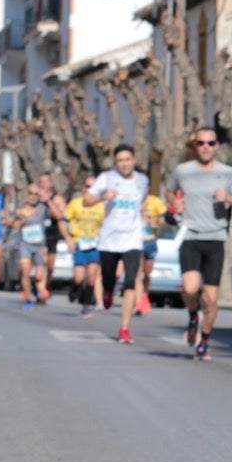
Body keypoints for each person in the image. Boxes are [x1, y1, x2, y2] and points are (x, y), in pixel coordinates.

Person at [166, 127, 232, 362]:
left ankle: (205, 339)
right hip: (190, 235)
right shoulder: (183, 170)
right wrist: (176, 203)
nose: (205, 147)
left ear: (217, 146)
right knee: (190, 289)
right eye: (201, 143)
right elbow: (169, 191)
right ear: (195, 145)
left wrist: (228, 198)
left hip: (216, 238)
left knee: (211, 298)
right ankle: (193, 316)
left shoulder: (228, 173)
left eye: (210, 143)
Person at [87, 145, 153, 344]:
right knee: (108, 279)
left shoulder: (143, 180)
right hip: (109, 239)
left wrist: (144, 215)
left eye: (127, 159)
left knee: (131, 280)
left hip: (132, 238)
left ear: (134, 159)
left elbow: (143, 201)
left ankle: (124, 327)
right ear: (116, 163)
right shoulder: (106, 178)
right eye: (120, 160)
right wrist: (102, 197)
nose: (124, 163)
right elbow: (86, 200)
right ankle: (107, 291)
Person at [63, 176, 104, 316]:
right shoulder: (75, 203)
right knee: (79, 278)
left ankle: (86, 305)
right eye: (88, 186)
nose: (90, 190)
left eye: (94, 187)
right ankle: (74, 289)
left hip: (95, 244)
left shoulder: (101, 205)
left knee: (92, 275)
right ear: (83, 188)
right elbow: (63, 221)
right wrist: (68, 239)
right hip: (79, 243)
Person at [14, 182, 59, 308]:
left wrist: (48, 200)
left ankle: (36, 288)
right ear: (26, 194)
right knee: (25, 272)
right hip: (25, 245)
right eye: (31, 193)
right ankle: (28, 298)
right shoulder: (21, 208)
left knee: (39, 275)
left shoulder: (42, 207)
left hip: (40, 246)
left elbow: (58, 215)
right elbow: (15, 225)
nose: (33, 196)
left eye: (36, 194)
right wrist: (20, 219)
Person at [136, 190, 168, 315]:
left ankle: (144, 294)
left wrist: (154, 220)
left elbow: (164, 217)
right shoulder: (133, 199)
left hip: (150, 240)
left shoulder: (155, 201)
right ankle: (138, 302)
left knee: (147, 274)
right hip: (137, 241)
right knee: (137, 273)